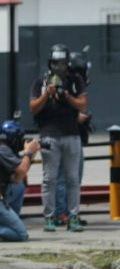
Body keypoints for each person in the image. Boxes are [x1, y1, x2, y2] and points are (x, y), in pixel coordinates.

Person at [29, 44, 87, 232]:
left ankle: (73, 217)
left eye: (62, 63)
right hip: (49, 135)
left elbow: (82, 105)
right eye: (55, 63)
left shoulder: (75, 80)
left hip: (71, 134)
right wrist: (47, 93)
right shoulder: (41, 81)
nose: (58, 67)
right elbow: (33, 108)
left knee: (72, 179)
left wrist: (66, 95)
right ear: (50, 63)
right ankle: (49, 218)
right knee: (49, 179)